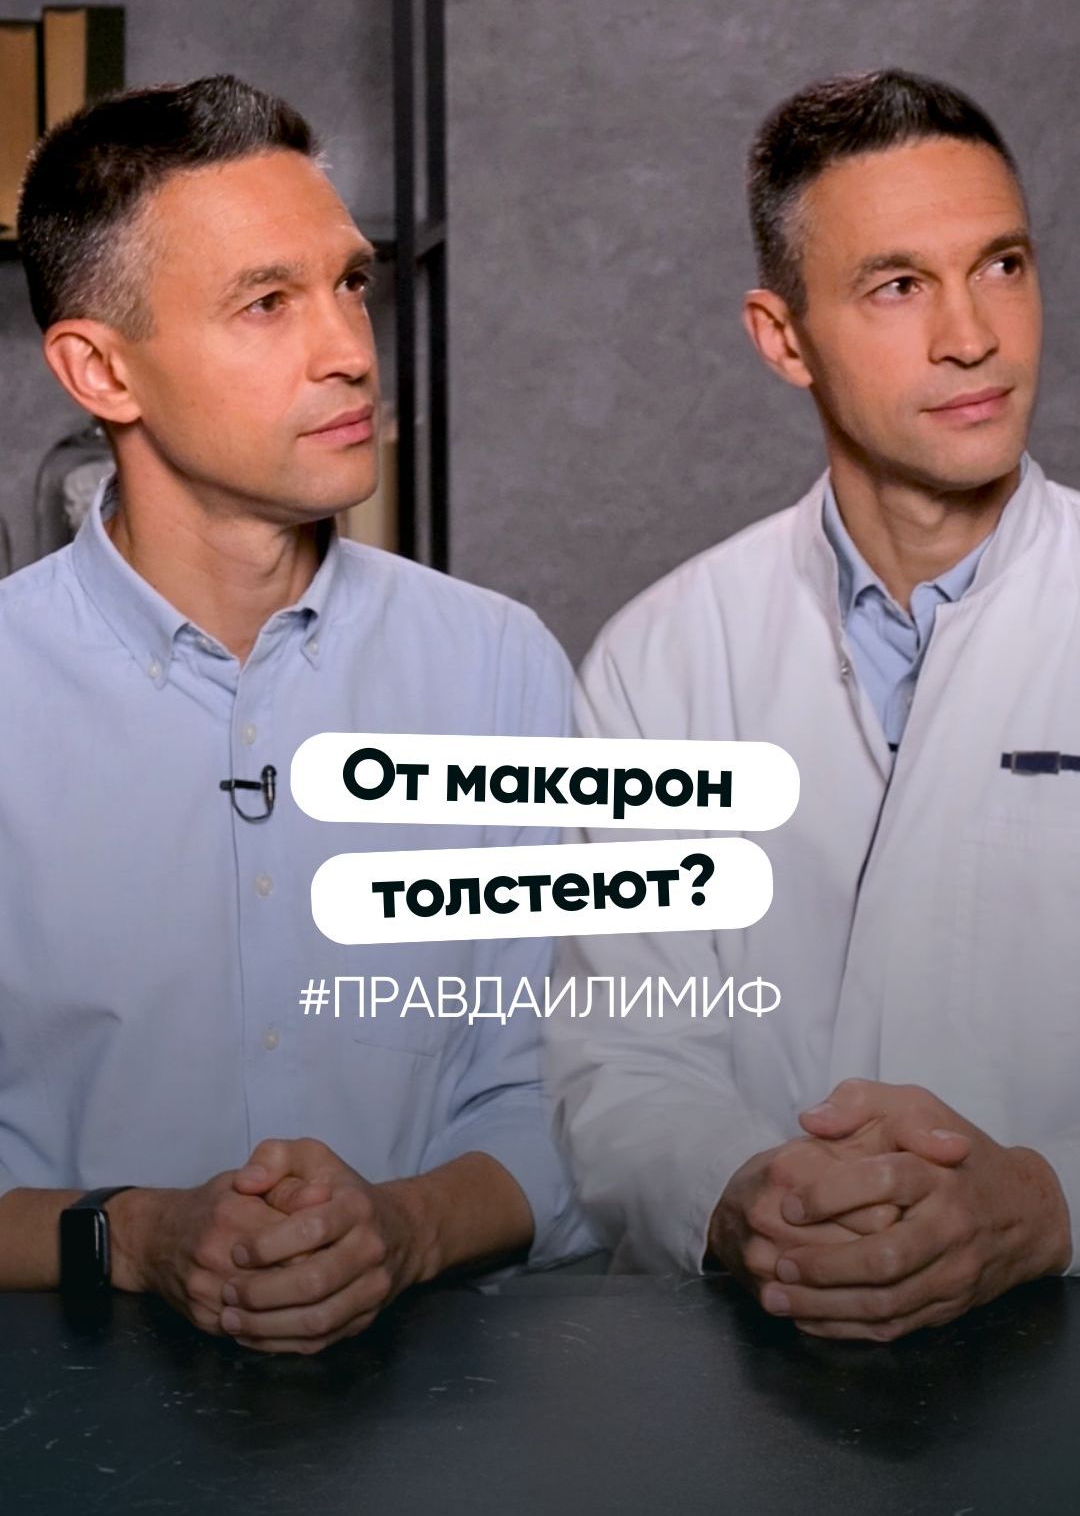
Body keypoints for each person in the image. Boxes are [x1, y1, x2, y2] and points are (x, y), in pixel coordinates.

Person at [0, 74, 589, 1355]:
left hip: (440, 1409)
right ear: (100, 368)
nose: (350, 351)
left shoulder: (498, 668)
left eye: (350, 284)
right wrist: (132, 1237)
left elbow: (562, 1093)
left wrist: (407, 1228)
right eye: (267, 303)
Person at [551, 67, 1080, 1342]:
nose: (973, 336)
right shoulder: (661, 661)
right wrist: (747, 1198)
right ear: (782, 338)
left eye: (1002, 266)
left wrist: (1050, 1202)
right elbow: (621, 1057)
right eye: (898, 286)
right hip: (755, 1370)